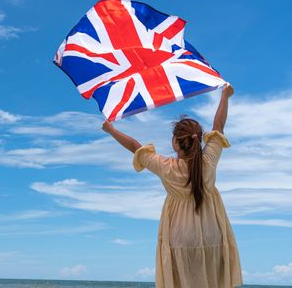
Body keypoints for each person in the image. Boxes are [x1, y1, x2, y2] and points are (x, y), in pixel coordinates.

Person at [102, 83, 242, 288]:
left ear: (175, 142)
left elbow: (135, 147)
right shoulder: (209, 161)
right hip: (213, 232)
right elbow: (218, 126)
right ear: (198, 141)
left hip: (179, 236)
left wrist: (111, 130)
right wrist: (224, 97)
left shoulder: (166, 167)